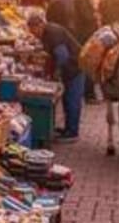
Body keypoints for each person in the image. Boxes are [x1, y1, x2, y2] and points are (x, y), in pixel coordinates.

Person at [27, 13, 85, 141]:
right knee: (67, 100)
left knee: (72, 100)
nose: (34, 35)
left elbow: (62, 55)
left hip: (74, 68)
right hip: (70, 68)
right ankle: (68, 128)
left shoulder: (53, 33)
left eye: (34, 31)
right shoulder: (47, 33)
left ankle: (72, 133)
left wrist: (56, 75)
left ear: (40, 25)